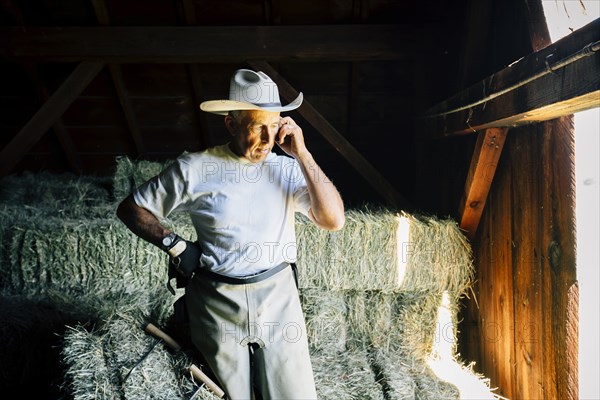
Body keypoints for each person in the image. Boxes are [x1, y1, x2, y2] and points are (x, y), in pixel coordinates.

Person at [116, 68, 345, 399]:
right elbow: (132, 208)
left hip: (279, 301)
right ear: (231, 123)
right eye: (257, 128)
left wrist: (303, 154)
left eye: (274, 125)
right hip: (216, 301)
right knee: (228, 395)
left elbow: (333, 219)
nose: (268, 140)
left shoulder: (285, 168)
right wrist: (176, 246)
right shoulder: (195, 168)